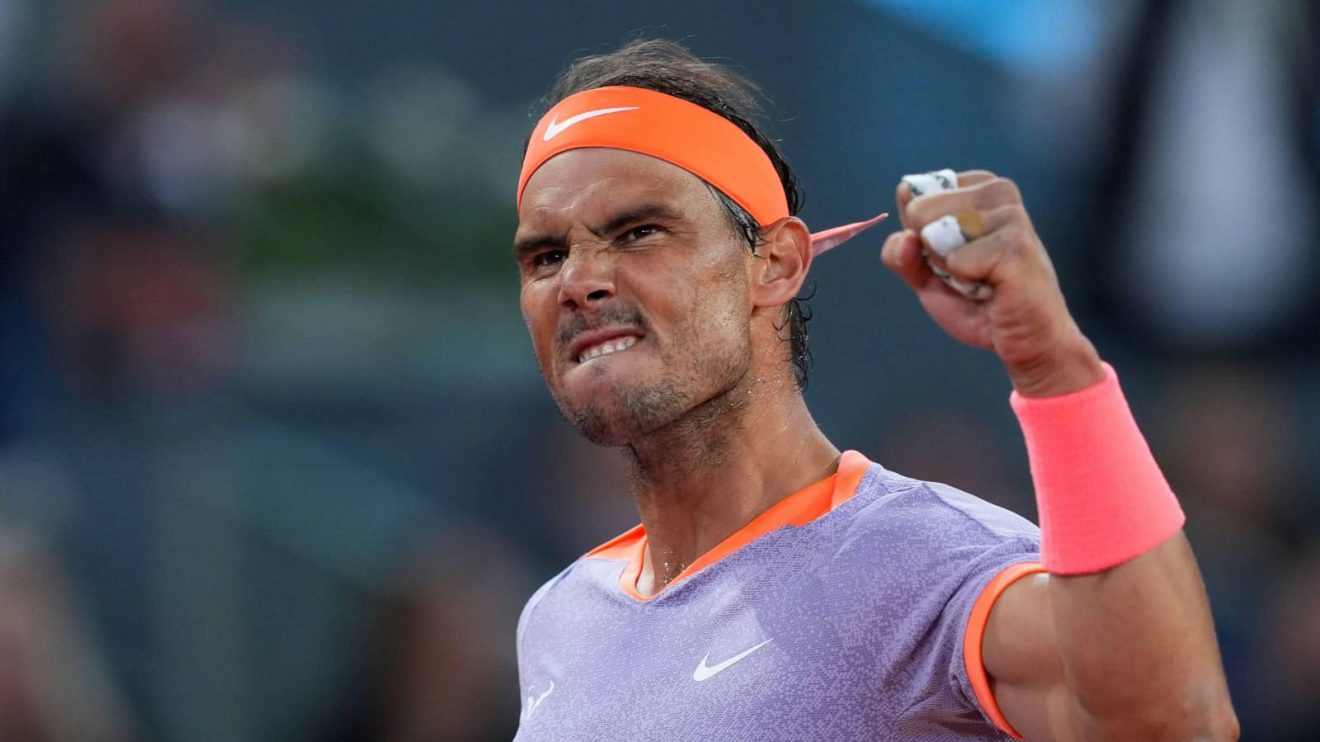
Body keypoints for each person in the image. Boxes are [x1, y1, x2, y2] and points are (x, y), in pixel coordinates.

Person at [510, 39, 1238, 740]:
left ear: (777, 264)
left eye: (638, 232)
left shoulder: (925, 563)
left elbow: (1174, 726)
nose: (579, 282)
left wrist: (1056, 371)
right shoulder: (557, 617)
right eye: (546, 256)